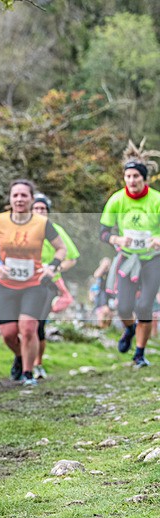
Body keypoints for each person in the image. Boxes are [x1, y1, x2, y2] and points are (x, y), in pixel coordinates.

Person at [0, 180, 67, 386]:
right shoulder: (0, 221)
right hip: (6, 285)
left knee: (28, 328)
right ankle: (21, 357)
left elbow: (61, 248)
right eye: (15, 195)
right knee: (9, 334)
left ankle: (28, 373)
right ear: (10, 199)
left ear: (31, 199)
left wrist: (52, 266)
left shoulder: (42, 223)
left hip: (33, 284)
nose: (19, 199)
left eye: (24, 195)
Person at [100, 139, 160, 367]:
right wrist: (117, 239)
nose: (132, 180)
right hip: (127, 258)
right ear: (124, 179)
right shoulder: (116, 200)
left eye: (136, 176)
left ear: (144, 179)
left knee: (144, 305)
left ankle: (140, 353)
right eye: (128, 177)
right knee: (124, 307)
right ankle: (130, 329)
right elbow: (103, 233)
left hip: (153, 259)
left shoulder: (156, 200)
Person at [31, 193, 79, 379]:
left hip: (48, 284)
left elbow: (71, 259)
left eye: (43, 209)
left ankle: (38, 364)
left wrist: (53, 268)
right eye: (36, 208)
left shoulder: (55, 230)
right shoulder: (22, 230)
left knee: (38, 324)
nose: (40, 212)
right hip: (25, 283)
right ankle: (23, 361)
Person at [90, 257, 113, 329]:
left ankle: (107, 328)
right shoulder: (101, 273)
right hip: (102, 295)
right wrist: (103, 266)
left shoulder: (112, 272)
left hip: (110, 294)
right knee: (101, 312)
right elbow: (96, 275)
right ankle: (101, 327)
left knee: (109, 313)